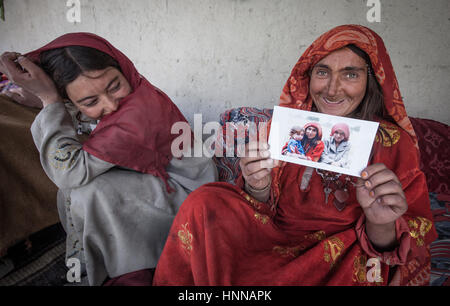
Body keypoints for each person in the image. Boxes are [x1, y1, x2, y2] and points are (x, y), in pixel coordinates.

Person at [153, 25, 437, 286]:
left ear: (372, 80)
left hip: (341, 250)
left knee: (366, 262)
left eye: (351, 74)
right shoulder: (289, 128)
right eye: (323, 72)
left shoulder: (393, 141)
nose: (333, 88)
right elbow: (259, 208)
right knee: (206, 201)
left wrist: (380, 222)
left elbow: (405, 242)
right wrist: (257, 185)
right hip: (275, 235)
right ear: (308, 75)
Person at [0, 33, 217, 286]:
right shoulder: (127, 95)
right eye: (91, 101)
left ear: (122, 68)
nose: (111, 105)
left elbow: (68, 170)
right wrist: (47, 101)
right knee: (75, 193)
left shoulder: (138, 112)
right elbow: (88, 120)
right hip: (156, 179)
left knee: (88, 192)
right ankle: (110, 262)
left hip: (187, 194)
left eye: (114, 86)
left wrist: (50, 102)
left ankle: (134, 271)